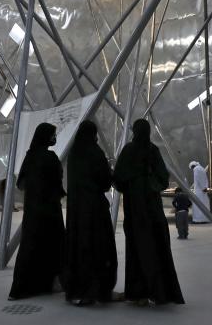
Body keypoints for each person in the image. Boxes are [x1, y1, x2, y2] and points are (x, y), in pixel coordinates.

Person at [114, 119, 184, 306]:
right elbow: (163, 177)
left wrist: (132, 185)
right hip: (152, 208)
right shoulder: (153, 150)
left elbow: (118, 178)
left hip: (134, 208)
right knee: (156, 246)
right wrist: (150, 185)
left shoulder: (128, 150)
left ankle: (139, 293)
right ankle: (160, 291)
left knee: (137, 248)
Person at [9, 123, 66, 300]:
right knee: (54, 247)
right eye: (53, 134)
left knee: (30, 248)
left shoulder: (30, 156)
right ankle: (50, 283)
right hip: (50, 211)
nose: (54, 138)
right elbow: (57, 183)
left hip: (33, 211)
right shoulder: (50, 158)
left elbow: (21, 183)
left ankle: (21, 288)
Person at [63, 121, 118, 305]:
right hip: (94, 210)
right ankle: (97, 290)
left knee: (78, 247)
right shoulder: (95, 152)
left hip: (76, 210)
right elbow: (104, 182)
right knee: (97, 248)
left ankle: (77, 291)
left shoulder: (74, 154)